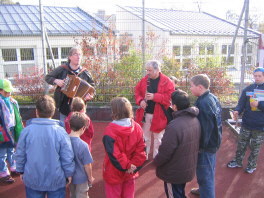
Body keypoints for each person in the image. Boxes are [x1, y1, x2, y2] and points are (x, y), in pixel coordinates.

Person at [15, 95, 75, 198]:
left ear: (36, 111)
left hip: (33, 178)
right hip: (56, 179)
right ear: (53, 111)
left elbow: (20, 153)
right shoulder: (60, 132)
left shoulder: (27, 131)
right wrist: (69, 173)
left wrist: (20, 170)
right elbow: (67, 155)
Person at [154, 90, 201, 198]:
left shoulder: (174, 126)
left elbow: (165, 151)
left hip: (174, 171)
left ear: (175, 106)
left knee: (174, 194)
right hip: (187, 167)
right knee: (179, 191)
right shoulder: (194, 119)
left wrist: (156, 161)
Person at [102, 97, 146, 198]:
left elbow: (115, 154)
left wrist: (127, 166)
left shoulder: (110, 131)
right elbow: (141, 150)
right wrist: (133, 166)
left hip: (114, 171)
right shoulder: (137, 127)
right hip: (131, 171)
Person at [189, 74, 222, 198]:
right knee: (208, 172)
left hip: (206, 147)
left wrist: (200, 147)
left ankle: (206, 192)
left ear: (200, 87)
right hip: (213, 143)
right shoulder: (212, 97)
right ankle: (203, 190)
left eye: (192, 86)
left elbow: (205, 129)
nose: (190, 89)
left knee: (205, 176)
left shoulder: (204, 104)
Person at [134, 60, 174, 160]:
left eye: (150, 70)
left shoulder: (167, 81)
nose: (147, 72)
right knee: (145, 137)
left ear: (157, 69)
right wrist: (140, 101)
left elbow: (169, 99)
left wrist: (154, 97)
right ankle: (144, 156)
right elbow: (137, 92)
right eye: (146, 70)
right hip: (146, 113)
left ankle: (157, 158)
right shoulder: (144, 80)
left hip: (160, 114)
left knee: (158, 139)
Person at [227, 67, 264, 174]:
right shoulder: (248, 89)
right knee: (241, 144)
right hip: (247, 123)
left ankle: (251, 165)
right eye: (255, 76)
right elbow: (241, 104)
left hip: (260, 125)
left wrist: (259, 105)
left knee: (255, 147)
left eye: (259, 76)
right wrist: (237, 111)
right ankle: (238, 161)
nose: (256, 78)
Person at [45, 47, 95, 121]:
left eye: (80, 54)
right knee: (64, 129)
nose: (78, 57)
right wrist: (56, 81)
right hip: (64, 107)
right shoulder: (62, 69)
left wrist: (90, 96)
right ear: (70, 57)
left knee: (79, 130)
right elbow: (47, 77)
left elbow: (93, 89)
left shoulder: (85, 72)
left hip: (80, 108)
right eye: (75, 54)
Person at [0, 79, 23, 184]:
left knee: (12, 149)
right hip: (2, 131)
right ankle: (3, 173)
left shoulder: (12, 101)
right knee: (2, 152)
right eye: (6, 92)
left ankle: (13, 167)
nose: (8, 93)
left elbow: (16, 115)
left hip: (12, 128)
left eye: (9, 91)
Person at [69, 112, 94, 198]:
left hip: (69, 176)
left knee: (72, 194)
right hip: (81, 178)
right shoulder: (83, 145)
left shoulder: (64, 141)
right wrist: (90, 177)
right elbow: (87, 165)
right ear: (83, 128)